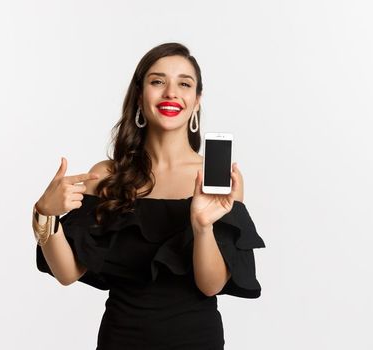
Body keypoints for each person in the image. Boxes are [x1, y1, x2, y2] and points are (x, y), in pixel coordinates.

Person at [31, 42, 265, 349]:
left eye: (184, 83)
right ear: (140, 96)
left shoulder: (214, 181)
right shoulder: (106, 175)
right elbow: (67, 272)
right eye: (158, 81)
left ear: (196, 101)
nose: (171, 92)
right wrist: (44, 215)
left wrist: (202, 227)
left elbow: (211, 285)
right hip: (122, 337)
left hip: (196, 340)